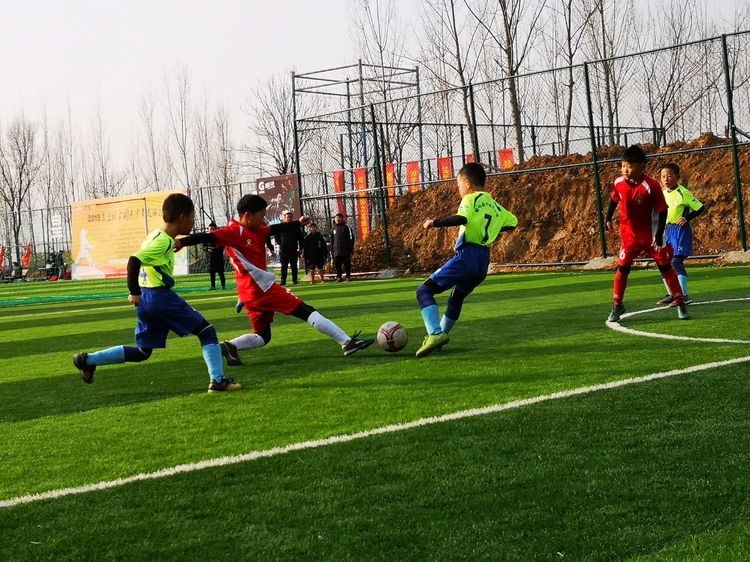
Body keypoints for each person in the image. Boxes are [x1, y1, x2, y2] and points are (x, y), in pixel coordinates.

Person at [174, 194, 374, 366]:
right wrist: (182, 241)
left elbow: (274, 229)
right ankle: (346, 341)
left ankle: (230, 346)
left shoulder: (257, 229)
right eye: (261, 216)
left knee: (263, 336)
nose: (264, 221)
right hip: (262, 289)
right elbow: (205, 237)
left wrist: (297, 223)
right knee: (306, 310)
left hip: (250, 293)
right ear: (247, 216)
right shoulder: (234, 232)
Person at [73, 193, 241, 393]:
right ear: (182, 218)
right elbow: (134, 260)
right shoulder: (163, 242)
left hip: (148, 299)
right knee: (207, 332)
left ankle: (88, 360)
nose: (193, 222)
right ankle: (218, 381)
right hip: (159, 297)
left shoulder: (155, 235)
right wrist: (133, 291)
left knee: (143, 352)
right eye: (192, 217)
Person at [415, 162, 518, 358]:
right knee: (456, 297)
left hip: (466, 256)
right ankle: (442, 334)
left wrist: (433, 222)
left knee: (424, 290)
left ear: (468, 183)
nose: (459, 189)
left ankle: (435, 334)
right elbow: (513, 222)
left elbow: (461, 219)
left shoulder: (470, 199)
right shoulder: (496, 206)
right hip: (482, 262)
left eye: (459, 184)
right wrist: (493, 228)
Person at [605, 145, 689, 323]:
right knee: (623, 269)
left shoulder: (651, 186)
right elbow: (614, 200)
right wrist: (608, 219)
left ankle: (680, 302)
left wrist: (659, 235)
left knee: (666, 268)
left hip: (652, 236)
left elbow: (662, 210)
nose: (626, 170)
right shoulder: (619, 183)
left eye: (630, 166)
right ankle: (617, 304)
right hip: (629, 237)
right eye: (623, 165)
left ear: (642, 166)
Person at [656, 163, 705, 306]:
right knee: (663, 263)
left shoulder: (683, 192)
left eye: (670, 175)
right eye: (663, 176)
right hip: (668, 231)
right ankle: (672, 294)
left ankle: (683, 296)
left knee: (676, 262)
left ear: (677, 177)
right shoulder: (663, 193)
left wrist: (686, 218)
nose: (666, 179)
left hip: (680, 232)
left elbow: (700, 207)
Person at [275, 211, 303, 286]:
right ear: (284, 218)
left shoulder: (296, 227)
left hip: (293, 249)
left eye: (290, 217)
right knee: (284, 266)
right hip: (284, 250)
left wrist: (301, 248)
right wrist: (281, 244)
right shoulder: (281, 226)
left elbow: (300, 238)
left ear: (292, 218)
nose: (289, 218)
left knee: (294, 266)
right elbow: (277, 237)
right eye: (288, 217)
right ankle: (283, 281)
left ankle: (295, 280)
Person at [332, 213, 354, 282]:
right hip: (336, 250)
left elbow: (351, 238)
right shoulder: (333, 228)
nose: (337, 219)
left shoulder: (346, 227)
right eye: (336, 217)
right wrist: (332, 250)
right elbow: (331, 239)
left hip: (345, 250)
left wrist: (350, 248)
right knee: (337, 264)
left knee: (346, 264)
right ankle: (339, 277)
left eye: (339, 217)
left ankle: (348, 277)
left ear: (342, 218)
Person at [205, 222, 226, 290]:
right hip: (211, 258)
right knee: (212, 272)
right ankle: (213, 286)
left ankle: (223, 286)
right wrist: (208, 249)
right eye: (210, 229)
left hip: (219, 257)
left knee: (221, 272)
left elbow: (222, 246)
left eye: (213, 229)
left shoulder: (219, 237)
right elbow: (204, 247)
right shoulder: (207, 238)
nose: (212, 230)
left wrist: (215, 248)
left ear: (216, 229)